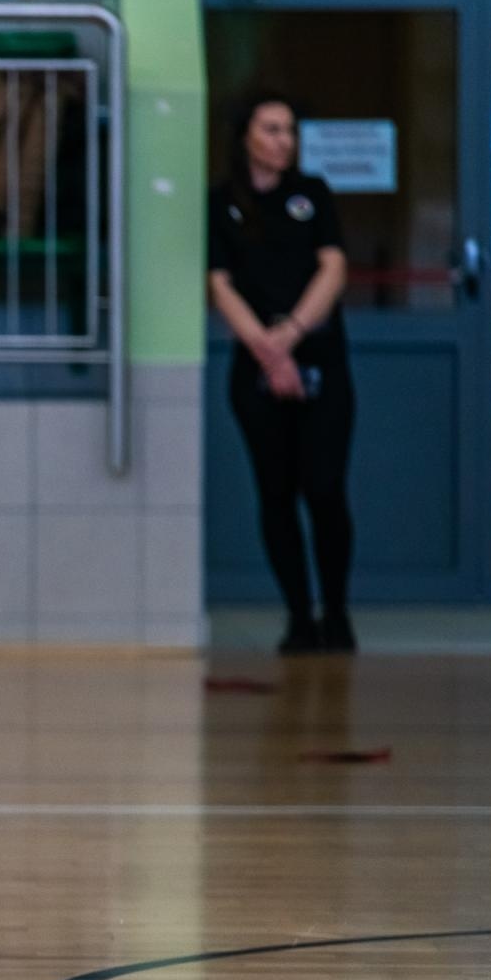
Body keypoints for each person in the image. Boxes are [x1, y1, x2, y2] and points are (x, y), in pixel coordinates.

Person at [208, 93, 356, 654]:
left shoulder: (312, 194)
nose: (283, 140)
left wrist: (290, 336)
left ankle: (336, 613)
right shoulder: (222, 203)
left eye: (290, 130)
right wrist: (269, 356)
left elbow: (334, 267)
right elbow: (219, 284)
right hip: (257, 372)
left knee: (324, 488)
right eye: (271, 129)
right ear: (245, 135)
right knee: (276, 494)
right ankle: (299, 617)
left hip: (320, 360)